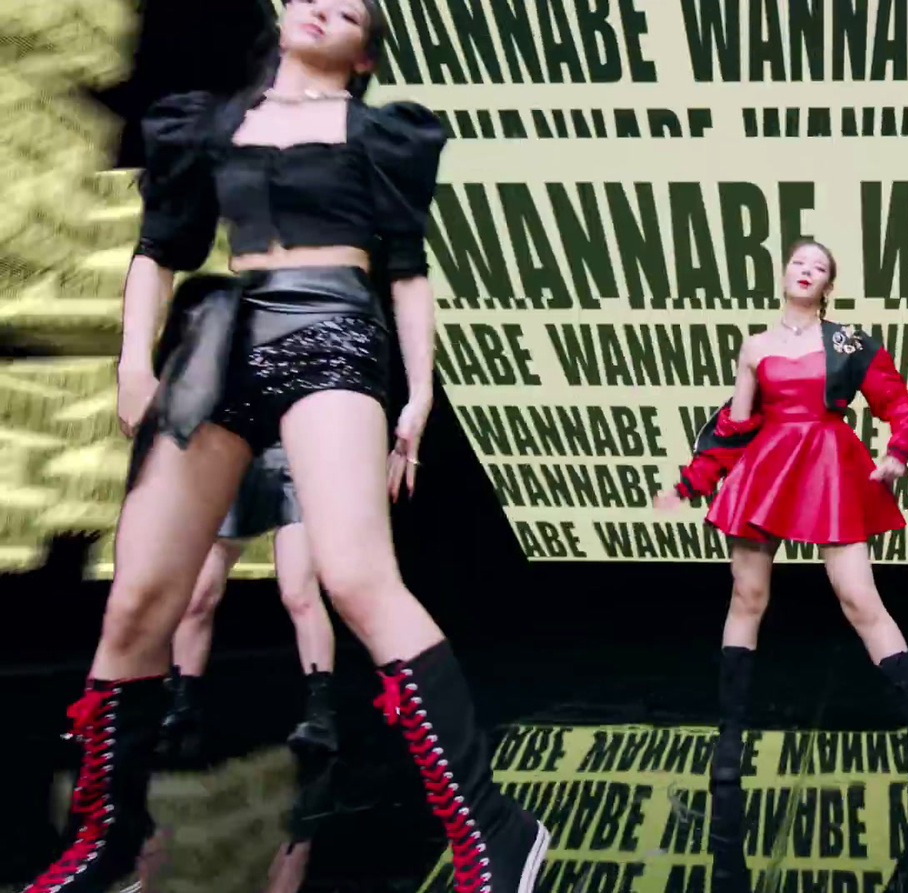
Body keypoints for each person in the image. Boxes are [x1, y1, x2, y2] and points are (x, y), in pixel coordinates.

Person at [26, 1, 551, 890]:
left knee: (354, 576)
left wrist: (419, 392)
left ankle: (494, 830)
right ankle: (107, 840)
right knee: (139, 603)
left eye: (348, 7)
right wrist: (130, 362)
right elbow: (162, 245)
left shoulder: (383, 135)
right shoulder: (209, 123)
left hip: (330, 326)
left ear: (366, 51)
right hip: (217, 335)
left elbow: (406, 267)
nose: (322, 8)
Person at [653, 240, 908, 795]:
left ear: (828, 285)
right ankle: (729, 740)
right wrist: (691, 483)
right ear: (784, 273)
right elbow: (735, 427)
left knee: (860, 599)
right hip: (766, 471)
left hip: (831, 469)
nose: (806, 272)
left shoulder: (849, 342)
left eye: (819, 268)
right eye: (798, 263)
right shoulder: (755, 346)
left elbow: (898, 405)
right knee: (747, 599)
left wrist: (897, 453)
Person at [159, 444, 336, 764]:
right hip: (231, 459)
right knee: (197, 596)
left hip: (292, 460)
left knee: (299, 594)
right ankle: (181, 704)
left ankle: (320, 713)